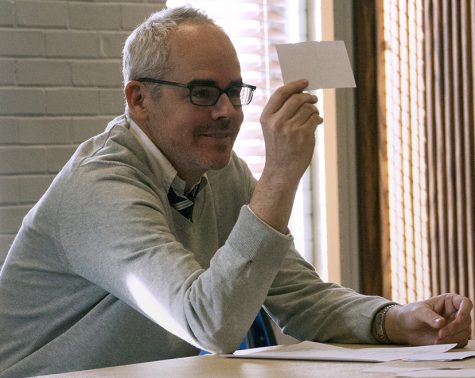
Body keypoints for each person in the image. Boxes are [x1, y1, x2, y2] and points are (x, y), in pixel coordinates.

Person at [0, 6, 472, 377]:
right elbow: (210, 323)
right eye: (203, 93)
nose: (227, 111)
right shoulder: (100, 187)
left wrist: (395, 320)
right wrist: (280, 176)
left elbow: (298, 296)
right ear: (139, 99)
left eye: (233, 91)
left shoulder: (219, 173)